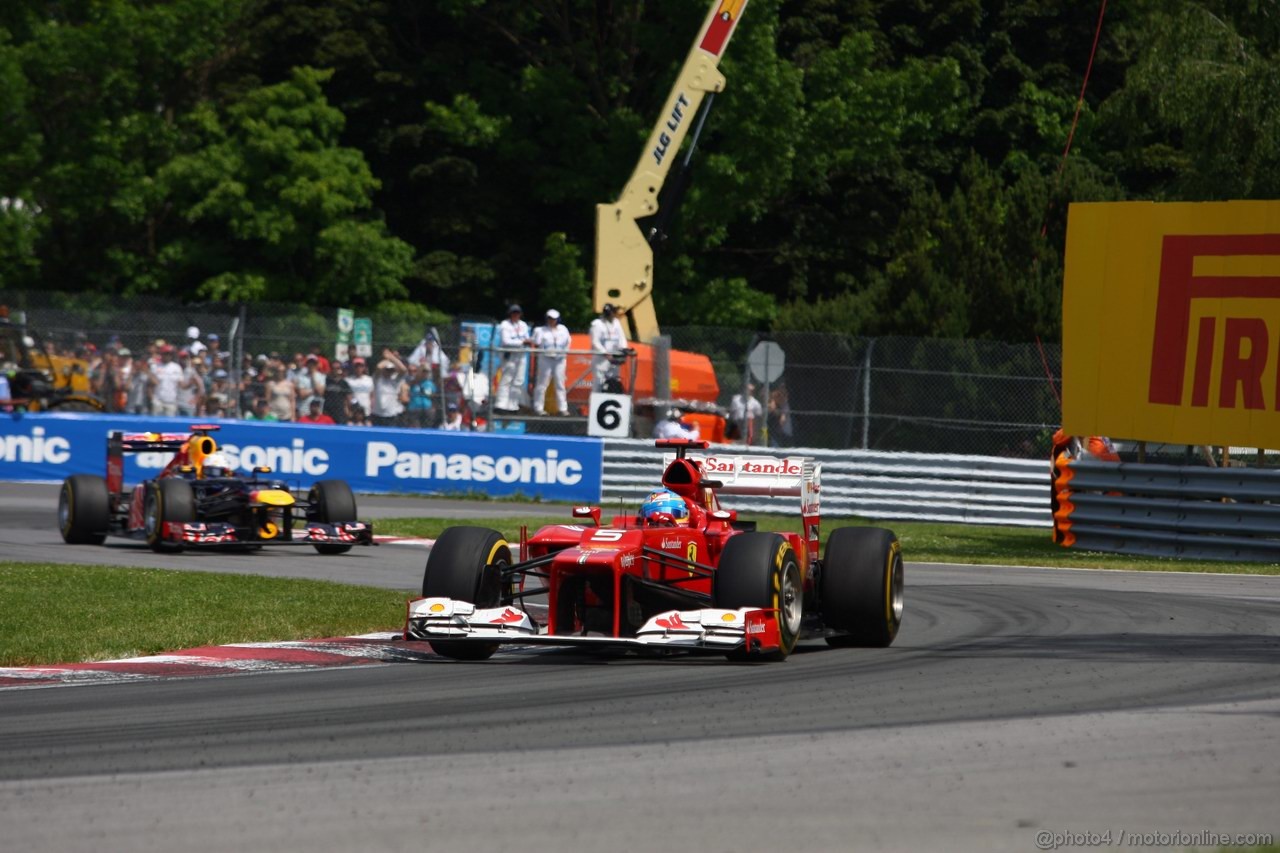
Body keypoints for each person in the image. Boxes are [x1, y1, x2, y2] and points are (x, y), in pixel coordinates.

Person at [531, 308, 571, 415]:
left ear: (558, 319)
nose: (551, 321)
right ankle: (538, 407)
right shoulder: (540, 330)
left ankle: (562, 408)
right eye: (549, 318)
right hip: (546, 359)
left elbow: (568, 342)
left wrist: (564, 354)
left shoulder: (563, 329)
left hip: (559, 359)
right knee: (542, 383)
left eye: (553, 319)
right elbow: (536, 341)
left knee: (560, 384)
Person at [494, 304, 531, 412]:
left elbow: (527, 338)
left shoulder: (523, 325)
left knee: (519, 380)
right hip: (509, 354)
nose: (516, 315)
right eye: (514, 313)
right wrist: (522, 342)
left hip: (521, 354)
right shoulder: (505, 324)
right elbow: (506, 341)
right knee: (507, 379)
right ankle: (501, 404)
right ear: (510, 314)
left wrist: (525, 341)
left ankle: (513, 405)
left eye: (517, 313)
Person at [589, 303, 627, 391]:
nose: (612, 314)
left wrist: (624, 349)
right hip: (601, 360)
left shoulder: (616, 323)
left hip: (614, 359)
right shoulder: (597, 324)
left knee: (613, 383)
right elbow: (595, 342)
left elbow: (622, 338)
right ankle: (595, 403)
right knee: (598, 384)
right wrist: (605, 353)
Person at [370, 348, 408, 427]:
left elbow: (404, 370)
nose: (389, 371)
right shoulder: (377, 379)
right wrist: (387, 358)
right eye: (387, 369)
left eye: (391, 370)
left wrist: (391, 357)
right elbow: (379, 367)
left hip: (391, 415)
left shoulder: (395, 381)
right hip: (377, 414)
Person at [150, 345, 184, 417]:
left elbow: (181, 385)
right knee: (156, 425)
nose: (168, 356)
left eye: (169, 354)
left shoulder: (176, 367)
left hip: (171, 401)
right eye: (166, 353)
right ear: (162, 354)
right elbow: (150, 385)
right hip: (158, 401)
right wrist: (152, 399)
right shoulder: (155, 366)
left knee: (170, 425)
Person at [404, 362, 437, 428]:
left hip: (427, 408)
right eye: (423, 371)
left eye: (427, 372)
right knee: (416, 428)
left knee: (427, 428)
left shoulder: (430, 383)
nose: (425, 373)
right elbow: (407, 387)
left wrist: (424, 391)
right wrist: (418, 379)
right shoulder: (413, 381)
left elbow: (431, 395)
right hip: (414, 408)